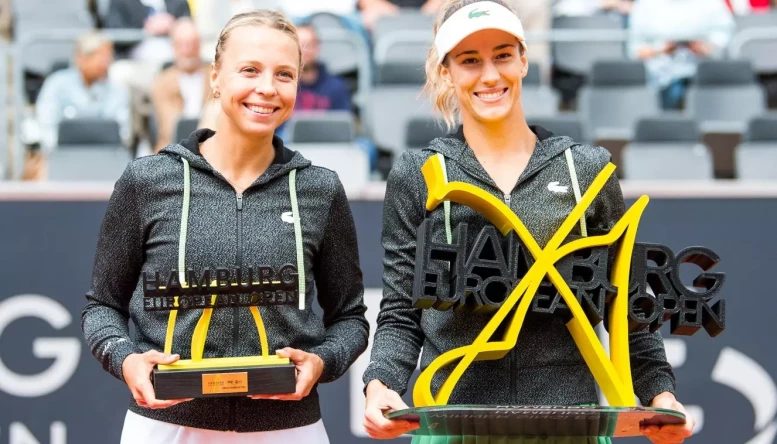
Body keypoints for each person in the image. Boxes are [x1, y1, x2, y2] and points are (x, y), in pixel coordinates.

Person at [362, 1, 695, 444]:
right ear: (446, 72)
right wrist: (381, 382)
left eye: (502, 54)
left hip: (569, 422)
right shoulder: (418, 173)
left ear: (523, 59)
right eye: (469, 60)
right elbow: (402, 309)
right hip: (453, 423)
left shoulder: (587, 170)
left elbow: (628, 307)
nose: (489, 75)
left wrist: (660, 394)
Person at [81, 10, 369, 444]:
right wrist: (126, 360)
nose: (267, 88)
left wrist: (322, 362)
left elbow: (350, 318)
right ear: (215, 77)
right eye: (249, 69)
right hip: (164, 426)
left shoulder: (319, 189)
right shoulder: (148, 181)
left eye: (284, 74)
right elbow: (101, 307)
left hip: (289, 429)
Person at [628, 0, 735, 109]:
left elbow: (723, 42)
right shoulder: (645, 5)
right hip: (657, 76)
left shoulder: (712, 4)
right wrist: (661, 50)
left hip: (705, 74)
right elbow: (635, 49)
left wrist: (703, 48)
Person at [34, 31, 130, 151]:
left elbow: (122, 130)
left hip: (105, 156)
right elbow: (46, 124)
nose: (106, 64)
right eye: (102, 58)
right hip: (63, 156)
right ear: (82, 58)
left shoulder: (117, 89)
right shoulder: (57, 84)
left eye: (109, 58)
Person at [151, 18, 210, 152]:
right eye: (182, 45)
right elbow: (169, 127)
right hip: (173, 148)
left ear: (200, 45)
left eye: (192, 44)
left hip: (212, 146)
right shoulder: (162, 82)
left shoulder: (215, 77)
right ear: (173, 47)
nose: (188, 51)